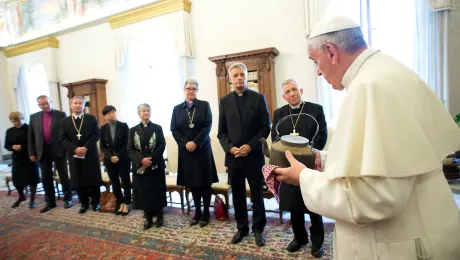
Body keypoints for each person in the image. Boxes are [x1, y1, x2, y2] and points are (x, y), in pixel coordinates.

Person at [273, 16, 460, 259]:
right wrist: (322, 159)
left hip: (399, 245)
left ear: (331, 52)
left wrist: (304, 177)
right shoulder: (387, 70)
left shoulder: (368, 87)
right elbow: (379, 161)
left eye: (315, 61)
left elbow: (374, 198)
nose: (318, 72)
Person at [271, 79, 327, 257]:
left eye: (294, 89)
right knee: (294, 204)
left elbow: (322, 134)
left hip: (310, 164)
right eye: (287, 91)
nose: (292, 94)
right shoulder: (279, 113)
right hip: (288, 165)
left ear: (300, 90)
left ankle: (317, 241)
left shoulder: (315, 109)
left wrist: (309, 154)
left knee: (313, 205)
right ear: (284, 96)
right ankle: (299, 237)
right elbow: (275, 137)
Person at [218, 62, 270, 247]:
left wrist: (250, 146)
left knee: (257, 194)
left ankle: (258, 229)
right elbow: (221, 132)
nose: (239, 78)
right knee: (238, 195)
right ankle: (242, 228)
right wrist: (230, 148)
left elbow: (265, 128)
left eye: (242, 74)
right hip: (234, 158)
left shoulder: (258, 98)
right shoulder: (224, 101)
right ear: (231, 79)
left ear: (247, 77)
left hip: (253, 156)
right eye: (236, 75)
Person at [171, 78, 218, 228]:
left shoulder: (204, 105)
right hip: (186, 152)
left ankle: (205, 213)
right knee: (192, 184)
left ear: (197, 91)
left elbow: (207, 125)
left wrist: (195, 143)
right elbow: (174, 129)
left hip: (202, 149)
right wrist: (186, 144)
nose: (191, 91)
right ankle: (197, 212)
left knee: (204, 183)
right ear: (184, 90)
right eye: (188, 88)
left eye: (194, 88)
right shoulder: (177, 109)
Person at [28, 95, 72, 213]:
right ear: (38, 105)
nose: (45, 106)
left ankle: (67, 199)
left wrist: (68, 149)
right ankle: (50, 202)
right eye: (42, 104)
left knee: (63, 175)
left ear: (50, 102)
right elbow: (31, 136)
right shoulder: (33, 117)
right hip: (42, 150)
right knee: (46, 177)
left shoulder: (61, 115)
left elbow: (67, 133)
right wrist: (32, 152)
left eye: (47, 103)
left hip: (58, 149)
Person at [60, 96, 102, 214]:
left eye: (80, 103)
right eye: (75, 103)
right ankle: (84, 203)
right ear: (71, 105)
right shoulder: (64, 122)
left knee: (92, 179)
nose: (78, 105)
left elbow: (96, 134)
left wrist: (85, 147)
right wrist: (75, 149)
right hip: (74, 156)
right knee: (78, 180)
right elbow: (62, 139)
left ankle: (95, 202)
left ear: (83, 106)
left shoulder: (91, 118)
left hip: (90, 154)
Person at [128, 103, 167, 230]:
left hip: (156, 166)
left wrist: (150, 159)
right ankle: (148, 217)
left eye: (148, 111)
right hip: (140, 168)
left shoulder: (157, 128)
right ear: (139, 113)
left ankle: (159, 216)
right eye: (143, 111)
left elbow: (161, 145)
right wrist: (141, 160)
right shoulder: (132, 130)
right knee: (144, 193)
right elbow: (130, 149)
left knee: (157, 192)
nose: (146, 113)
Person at [100, 105, 131, 216]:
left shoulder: (123, 126)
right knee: (115, 183)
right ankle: (121, 202)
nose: (111, 114)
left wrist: (117, 156)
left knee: (125, 181)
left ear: (115, 113)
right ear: (105, 116)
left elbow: (128, 143)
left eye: (112, 112)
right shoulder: (103, 129)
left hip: (123, 159)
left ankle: (127, 203)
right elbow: (102, 146)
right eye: (108, 113)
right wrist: (110, 157)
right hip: (109, 160)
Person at [4, 112, 40, 209]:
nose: (17, 123)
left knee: (32, 180)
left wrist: (22, 147)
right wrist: (12, 147)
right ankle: (21, 197)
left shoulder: (29, 129)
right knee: (17, 180)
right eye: (14, 122)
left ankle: (32, 200)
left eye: (19, 121)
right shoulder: (9, 131)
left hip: (30, 157)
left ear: (23, 119)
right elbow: (6, 145)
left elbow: (36, 143)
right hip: (17, 158)